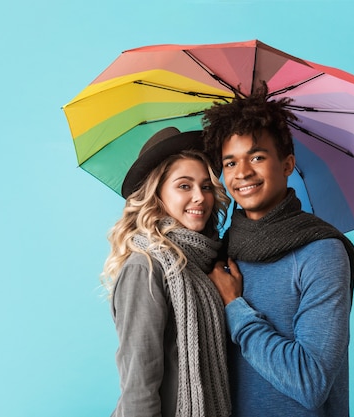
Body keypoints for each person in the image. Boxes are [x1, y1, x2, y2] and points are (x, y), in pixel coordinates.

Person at [202, 84, 354, 417]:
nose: (242, 173)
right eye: (230, 163)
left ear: (287, 164)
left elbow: (310, 382)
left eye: (256, 157)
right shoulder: (220, 253)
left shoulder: (322, 253)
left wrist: (235, 306)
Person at [101, 127, 232, 417]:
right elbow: (138, 389)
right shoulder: (144, 266)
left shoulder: (205, 264)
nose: (200, 197)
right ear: (157, 194)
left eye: (206, 186)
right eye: (184, 186)